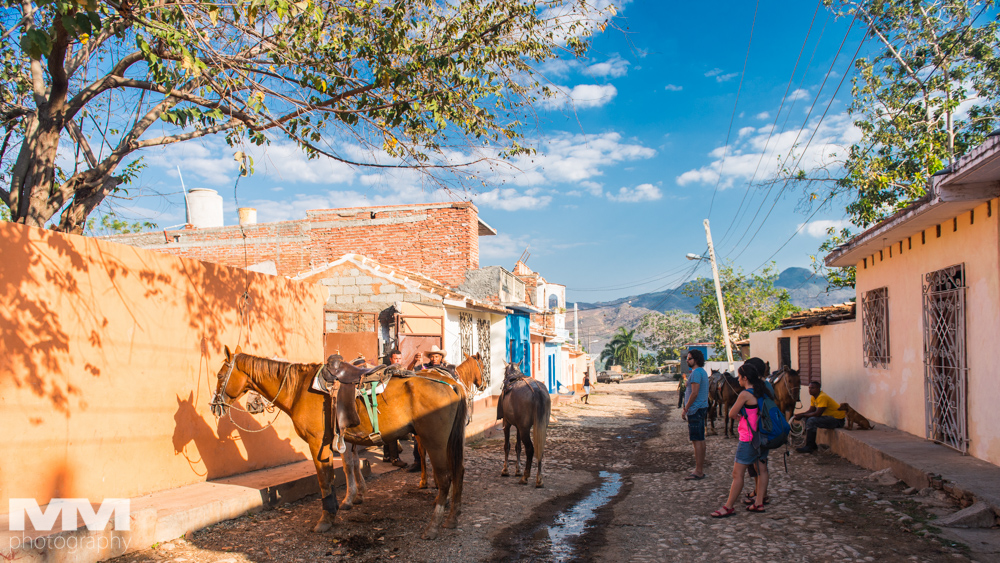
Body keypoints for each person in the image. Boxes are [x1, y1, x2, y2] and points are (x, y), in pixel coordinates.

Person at [711, 362, 771, 517]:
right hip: (763, 437)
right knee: (762, 470)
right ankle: (759, 503)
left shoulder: (745, 394)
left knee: (737, 474)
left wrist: (740, 416)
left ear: (745, 378)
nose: (738, 379)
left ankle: (729, 506)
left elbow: (731, 413)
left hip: (748, 438)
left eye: (739, 376)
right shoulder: (763, 391)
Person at [793, 380, 846, 453]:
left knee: (812, 421)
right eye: (809, 388)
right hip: (829, 418)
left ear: (818, 388)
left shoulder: (822, 397)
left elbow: (818, 414)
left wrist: (802, 415)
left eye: (812, 388)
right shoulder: (814, 397)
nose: (810, 390)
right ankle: (812, 444)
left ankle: (809, 447)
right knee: (807, 418)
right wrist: (801, 414)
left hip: (837, 420)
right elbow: (811, 410)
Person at [681, 350, 710, 480]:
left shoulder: (697, 373)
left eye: (689, 358)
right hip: (701, 408)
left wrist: (686, 409)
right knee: (700, 439)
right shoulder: (701, 372)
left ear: (696, 360)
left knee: (696, 440)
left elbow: (694, 393)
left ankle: (698, 471)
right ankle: (699, 468)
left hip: (695, 409)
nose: (687, 361)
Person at [380, 348, 408, 468]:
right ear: (391, 359)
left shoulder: (401, 370)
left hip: (397, 403)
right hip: (387, 403)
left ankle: (386, 455)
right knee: (392, 432)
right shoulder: (386, 371)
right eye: (396, 358)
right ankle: (395, 458)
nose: (398, 361)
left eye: (400, 359)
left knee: (388, 431)